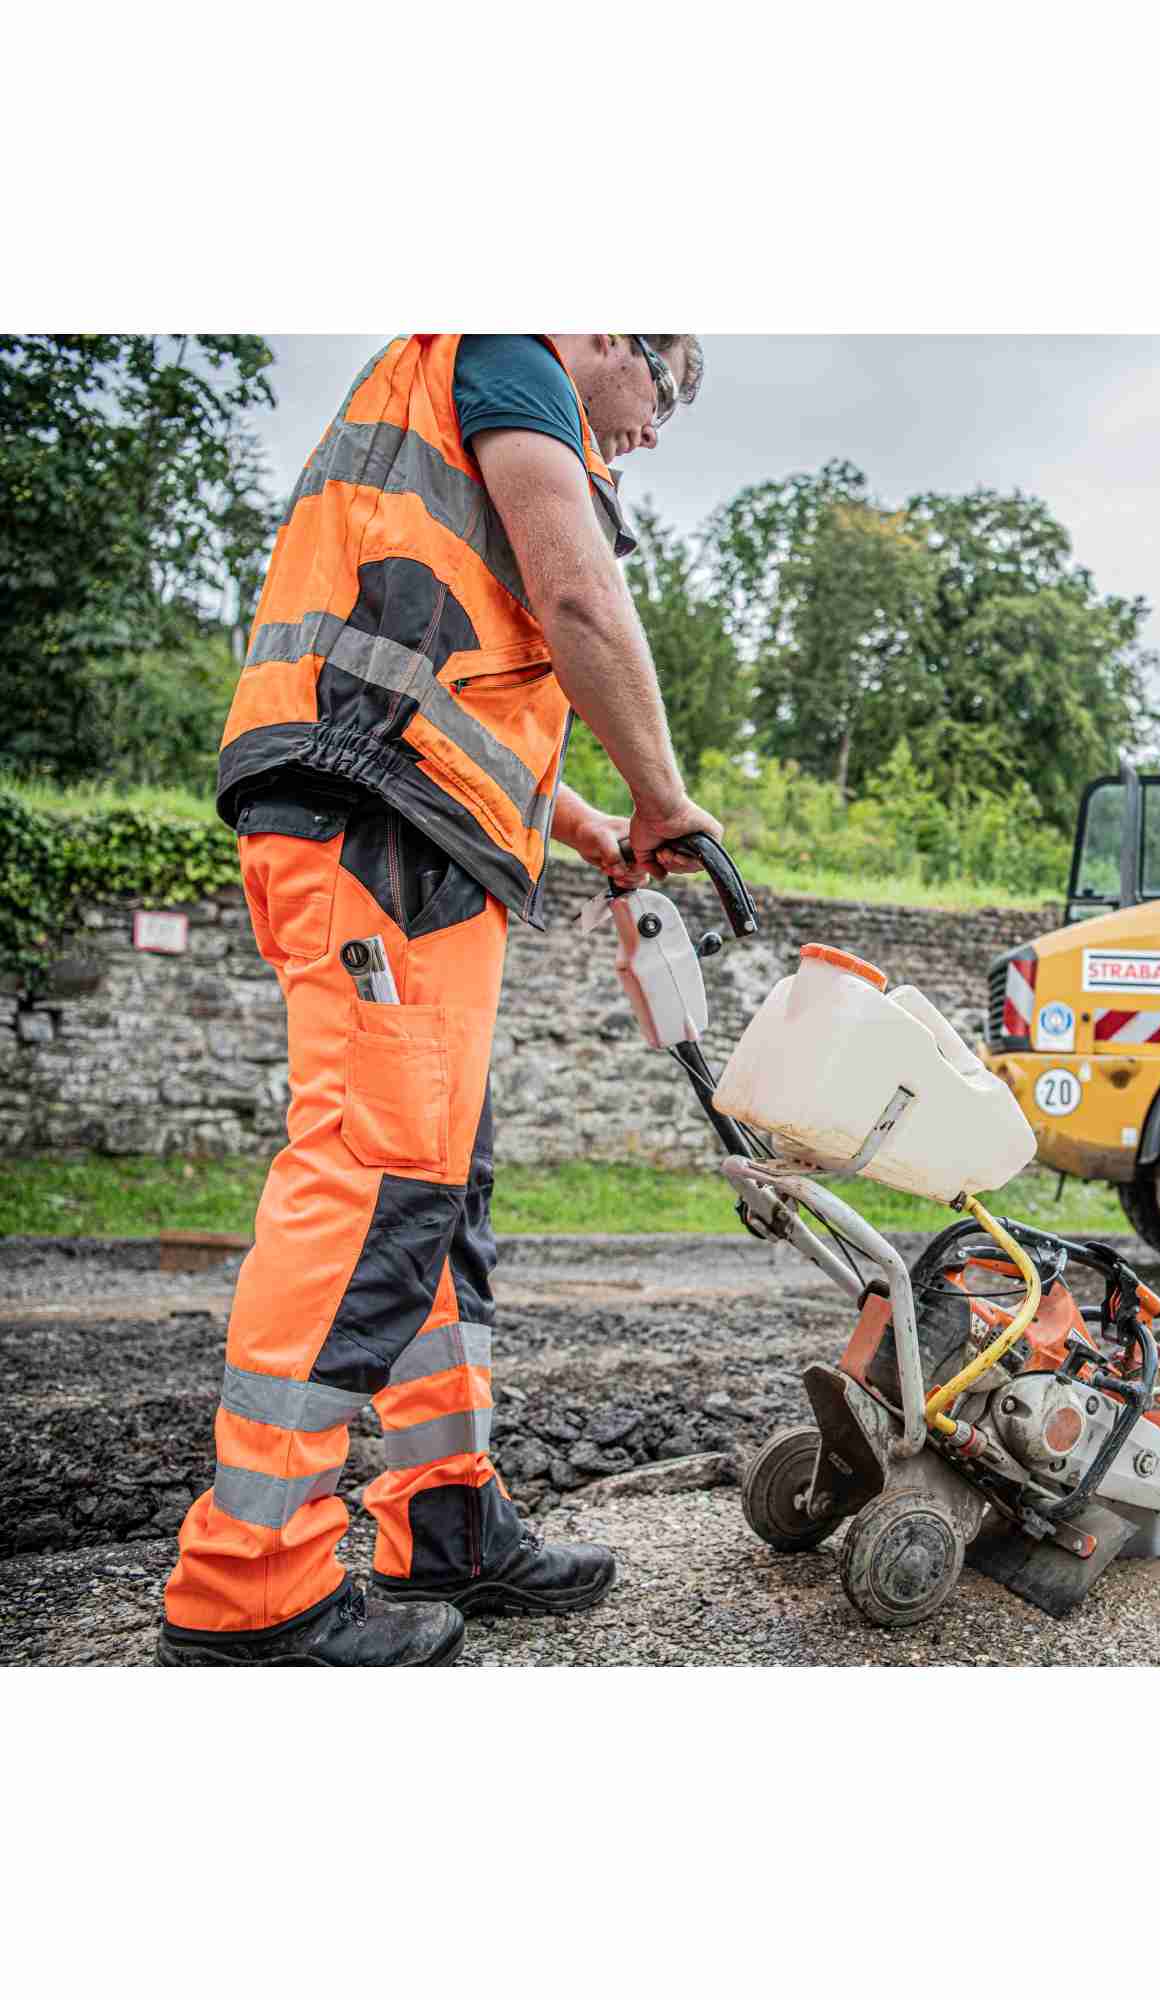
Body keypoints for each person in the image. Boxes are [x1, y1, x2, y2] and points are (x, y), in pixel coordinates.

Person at [158, 335, 720, 1666]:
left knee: (437, 1190)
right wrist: (662, 795)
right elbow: (576, 595)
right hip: (378, 826)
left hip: (419, 828)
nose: (655, 428)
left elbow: (455, 676)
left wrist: (588, 824)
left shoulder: (485, 396)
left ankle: (447, 1519)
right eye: (666, 388)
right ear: (610, 334)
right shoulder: (513, 351)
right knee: (374, 1180)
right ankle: (250, 1583)